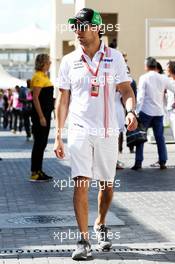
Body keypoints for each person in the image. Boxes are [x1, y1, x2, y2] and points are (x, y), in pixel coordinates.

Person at [54, 8, 137, 260]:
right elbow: (63, 100)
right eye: (75, 26)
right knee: (81, 182)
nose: (77, 31)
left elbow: (126, 90)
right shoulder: (69, 61)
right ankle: (83, 240)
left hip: (108, 131)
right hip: (79, 131)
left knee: (107, 185)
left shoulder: (115, 58)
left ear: (97, 28)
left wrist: (131, 112)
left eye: (82, 26)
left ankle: (100, 223)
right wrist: (59, 134)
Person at [132, 57, 174, 170]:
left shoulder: (144, 78)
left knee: (140, 137)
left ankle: (138, 162)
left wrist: (136, 111)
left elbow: (140, 96)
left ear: (146, 66)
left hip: (146, 111)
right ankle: (163, 161)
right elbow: (173, 88)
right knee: (160, 137)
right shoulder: (163, 78)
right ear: (155, 66)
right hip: (159, 112)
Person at [30, 54, 54, 182]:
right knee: (39, 143)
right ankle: (34, 172)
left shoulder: (44, 76)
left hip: (46, 114)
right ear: (43, 63)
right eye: (48, 61)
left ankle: (39, 170)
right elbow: (35, 98)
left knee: (42, 143)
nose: (50, 63)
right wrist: (41, 117)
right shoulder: (38, 77)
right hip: (41, 116)